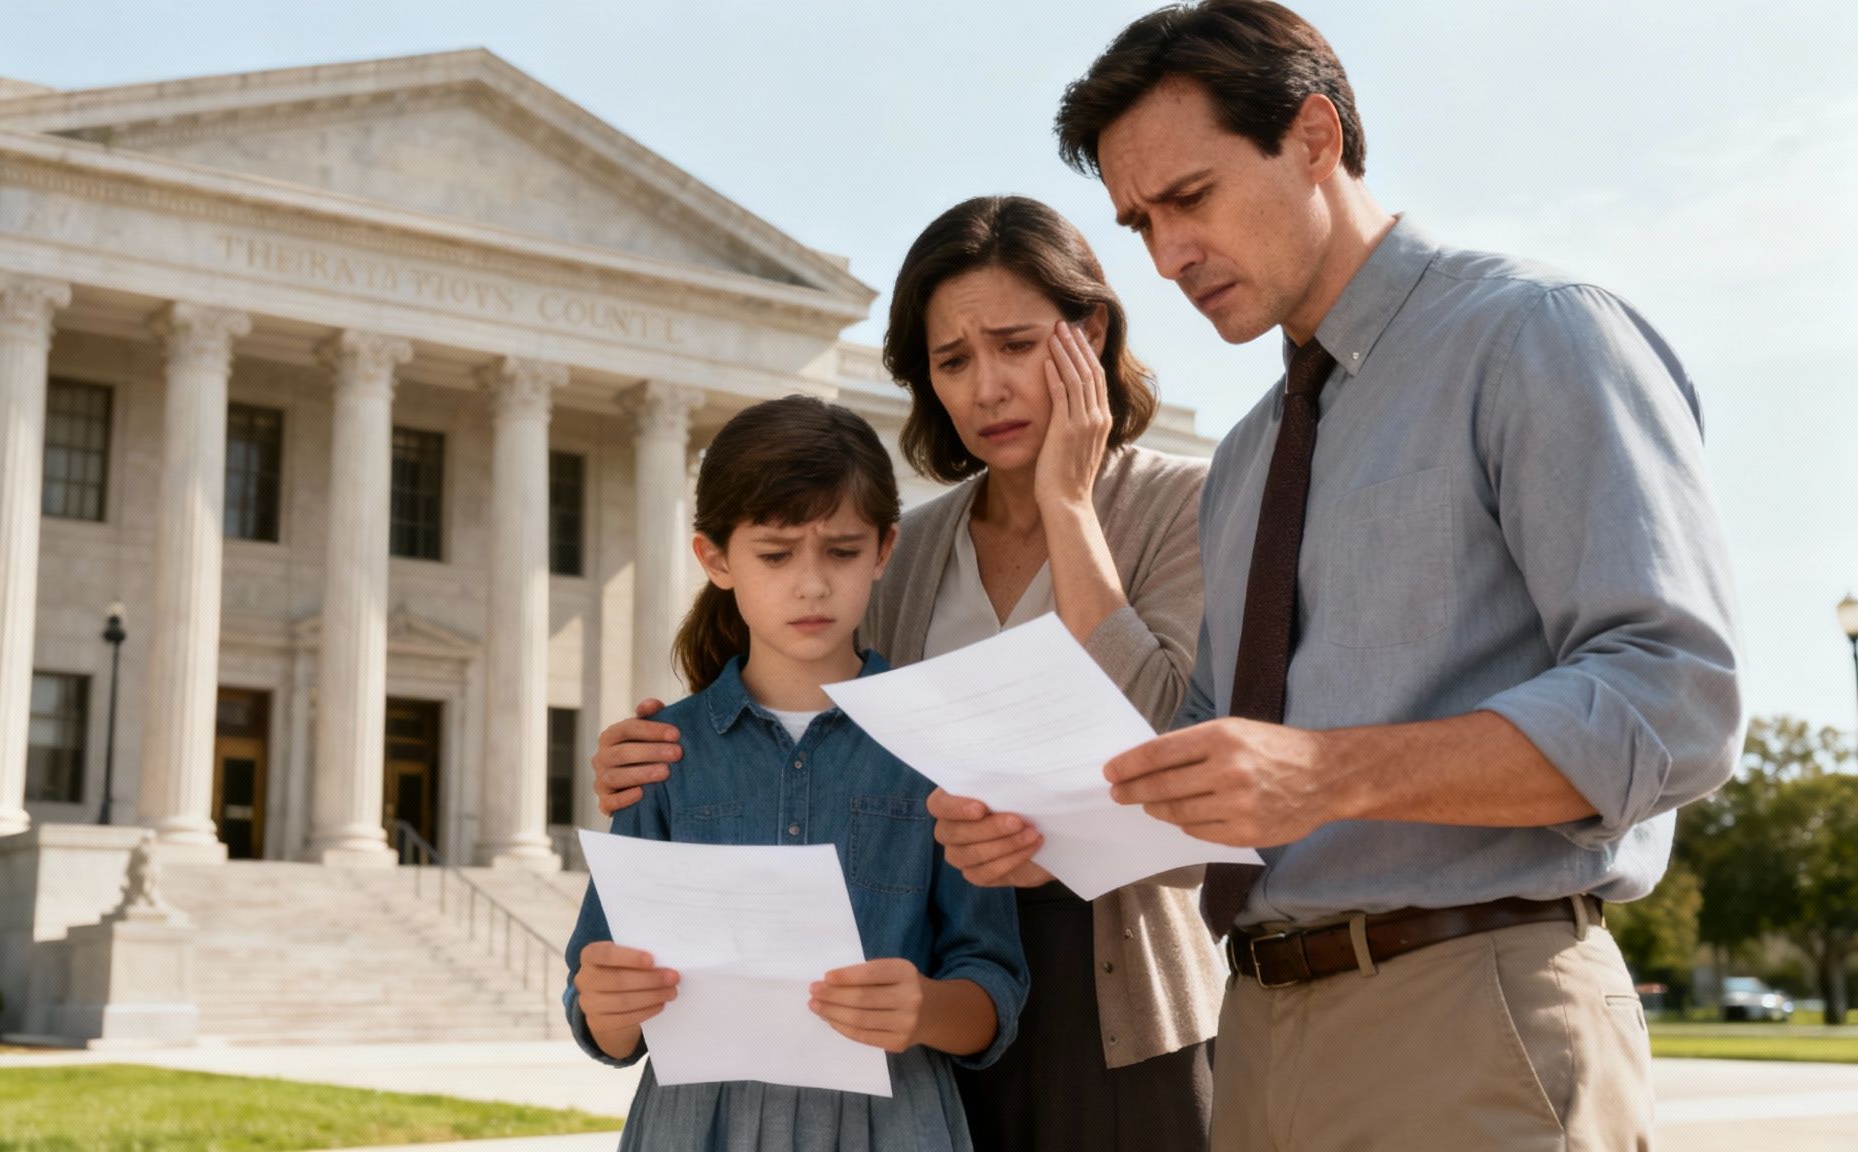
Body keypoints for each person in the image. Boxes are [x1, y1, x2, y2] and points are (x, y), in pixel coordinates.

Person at [936, 3, 1743, 1149]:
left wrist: (1326, 774)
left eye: (1190, 198)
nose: (1166, 256)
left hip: (1474, 1012)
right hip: (1256, 1037)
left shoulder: (1533, 336)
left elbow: (1674, 700)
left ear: (1313, 136)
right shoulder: (1246, 457)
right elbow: (1214, 761)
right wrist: (1050, 833)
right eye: (1140, 222)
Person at [595, 195, 1223, 1149]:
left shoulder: (1186, 507)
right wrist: (652, 751)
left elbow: (1167, 743)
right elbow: (801, 704)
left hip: (1114, 991)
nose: (987, 389)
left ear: (1090, 332)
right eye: (953, 361)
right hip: (915, 998)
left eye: (1016, 345)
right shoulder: (908, 545)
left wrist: (1066, 502)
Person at [563, 395, 1030, 1152]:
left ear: (884, 550)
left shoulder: (940, 748)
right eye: (776, 555)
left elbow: (993, 982)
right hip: (695, 1127)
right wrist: (611, 1005)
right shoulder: (661, 755)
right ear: (716, 559)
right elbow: (603, 1019)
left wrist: (925, 1007)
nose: (811, 585)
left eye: (841, 551)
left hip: (892, 1125)